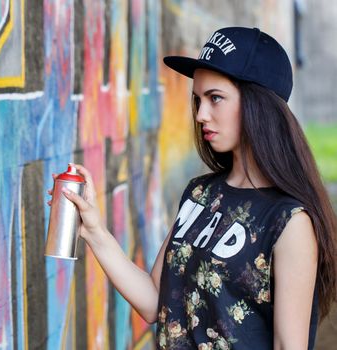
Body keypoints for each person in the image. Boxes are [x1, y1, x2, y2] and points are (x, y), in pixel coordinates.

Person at [49, 27, 337, 349]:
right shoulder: (200, 194)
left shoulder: (289, 221)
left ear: (259, 103)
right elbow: (153, 301)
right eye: (198, 100)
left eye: (215, 98)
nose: (201, 114)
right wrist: (94, 231)